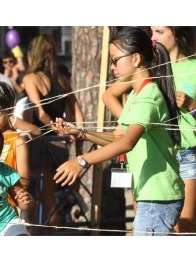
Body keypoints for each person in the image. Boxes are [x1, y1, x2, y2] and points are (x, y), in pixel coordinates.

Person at [54, 27, 184, 236]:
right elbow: (117, 137)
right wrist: (81, 133)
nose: (112, 66)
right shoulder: (136, 95)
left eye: (115, 60)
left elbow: (126, 144)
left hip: (158, 196)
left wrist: (81, 161)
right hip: (150, 194)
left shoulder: (148, 97)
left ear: (135, 58)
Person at [21, 34, 84, 229]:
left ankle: (45, 232)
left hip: (42, 145)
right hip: (60, 147)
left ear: (34, 54)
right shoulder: (61, 78)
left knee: (45, 199)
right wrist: (74, 134)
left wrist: (56, 130)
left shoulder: (31, 78)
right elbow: (78, 112)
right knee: (49, 196)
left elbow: (40, 112)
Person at [149, 27, 196, 233]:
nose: (153, 38)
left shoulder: (194, 66)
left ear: (176, 32)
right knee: (158, 227)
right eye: (152, 31)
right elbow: (111, 95)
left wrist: (192, 104)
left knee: (183, 227)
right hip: (157, 155)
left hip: (187, 153)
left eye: (159, 31)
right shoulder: (152, 68)